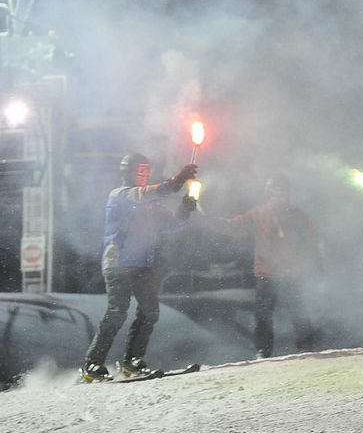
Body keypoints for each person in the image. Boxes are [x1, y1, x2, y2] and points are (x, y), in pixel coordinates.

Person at [80, 154, 198, 382]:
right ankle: (92, 364)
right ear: (127, 172)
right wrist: (178, 180)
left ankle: (132, 361)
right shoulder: (120, 195)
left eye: (146, 171)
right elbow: (147, 194)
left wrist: (185, 208)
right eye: (139, 171)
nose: (144, 175)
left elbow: (173, 225)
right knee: (117, 311)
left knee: (149, 311)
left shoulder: (151, 205)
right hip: (118, 262)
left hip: (142, 264)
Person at [215, 173, 322, 358]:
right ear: (267, 192)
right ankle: (263, 350)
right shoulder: (257, 214)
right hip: (267, 272)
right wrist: (207, 220)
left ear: (287, 192)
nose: (277, 193)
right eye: (273, 189)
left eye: (281, 189)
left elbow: (311, 241)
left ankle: (305, 347)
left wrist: (317, 264)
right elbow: (234, 226)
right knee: (263, 315)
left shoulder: (298, 216)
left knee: (298, 311)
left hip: (291, 272)